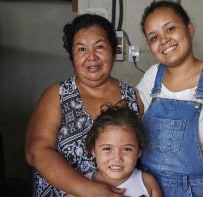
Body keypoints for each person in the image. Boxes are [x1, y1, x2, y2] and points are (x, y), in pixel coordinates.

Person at [136, 1, 203, 197]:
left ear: (189, 29)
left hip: (202, 190)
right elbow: (130, 128)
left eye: (170, 28)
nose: (163, 40)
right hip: (150, 188)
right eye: (153, 37)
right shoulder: (151, 77)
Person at [25, 13, 142, 197]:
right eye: (81, 49)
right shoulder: (57, 95)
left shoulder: (133, 97)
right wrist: (90, 190)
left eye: (100, 47)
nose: (91, 57)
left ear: (114, 49)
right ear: (72, 55)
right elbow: (36, 151)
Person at [67, 101, 162, 197]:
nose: (117, 157)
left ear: (139, 151)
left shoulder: (148, 183)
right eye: (107, 148)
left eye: (127, 149)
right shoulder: (81, 188)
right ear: (93, 150)